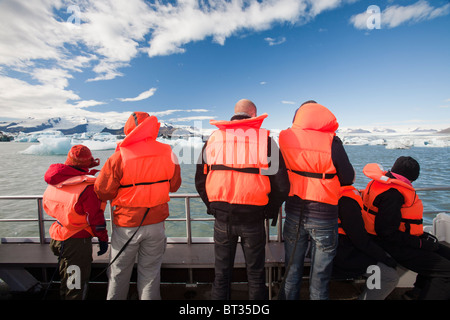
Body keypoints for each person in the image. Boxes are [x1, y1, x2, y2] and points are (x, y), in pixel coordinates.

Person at [195, 99, 289, 300]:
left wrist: (212, 206)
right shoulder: (266, 141)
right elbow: (282, 186)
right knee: (255, 275)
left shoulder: (213, 139)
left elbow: (200, 179)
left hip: (222, 219)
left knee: (221, 275)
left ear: (234, 114)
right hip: (253, 219)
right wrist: (268, 211)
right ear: (253, 115)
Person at [94, 112, 181, 300]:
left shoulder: (119, 157)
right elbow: (174, 186)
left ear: (128, 130)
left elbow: (103, 192)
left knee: (118, 273)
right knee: (150, 274)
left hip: (127, 225)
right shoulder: (168, 152)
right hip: (157, 224)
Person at [278, 100, 354, 300]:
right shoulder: (332, 141)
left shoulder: (286, 137)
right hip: (325, 215)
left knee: (291, 272)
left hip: (294, 211)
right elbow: (348, 177)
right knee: (320, 278)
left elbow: (279, 172)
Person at [361, 156, 450, 300]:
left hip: (388, 238)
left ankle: (416, 293)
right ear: (412, 177)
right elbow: (386, 232)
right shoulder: (393, 194)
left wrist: (422, 240)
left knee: (443, 252)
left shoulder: (381, 183)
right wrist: (420, 243)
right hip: (388, 244)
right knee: (446, 271)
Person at [43, 144, 108, 300]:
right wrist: (103, 238)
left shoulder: (57, 180)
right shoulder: (87, 187)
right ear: (88, 162)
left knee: (68, 279)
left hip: (58, 235)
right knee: (76, 285)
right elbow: (95, 217)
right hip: (76, 242)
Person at [333, 185, 399, 300]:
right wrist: (385, 258)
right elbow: (359, 240)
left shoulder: (328, 192)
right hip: (341, 255)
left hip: (328, 247)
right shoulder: (346, 200)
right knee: (390, 276)